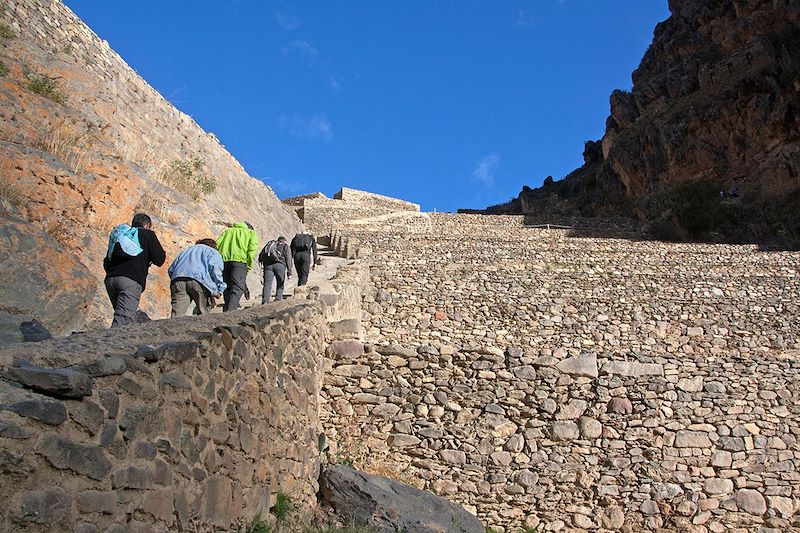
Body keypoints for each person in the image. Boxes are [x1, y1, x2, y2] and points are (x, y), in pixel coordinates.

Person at [103, 213, 166, 327]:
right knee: (123, 320)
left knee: (123, 314)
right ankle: (109, 344)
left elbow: (107, 259)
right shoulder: (147, 234)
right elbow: (159, 259)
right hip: (130, 280)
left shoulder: (122, 235)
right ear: (147, 225)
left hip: (111, 279)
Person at [168, 238, 226, 316]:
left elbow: (171, 270)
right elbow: (216, 270)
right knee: (203, 312)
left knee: (177, 313)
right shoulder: (212, 251)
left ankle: (173, 327)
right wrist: (219, 288)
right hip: (199, 281)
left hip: (178, 279)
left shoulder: (185, 251)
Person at [216, 221, 258, 311]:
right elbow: (252, 249)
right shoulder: (250, 233)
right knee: (238, 287)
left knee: (227, 286)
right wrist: (248, 265)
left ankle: (227, 308)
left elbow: (217, 244)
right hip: (240, 261)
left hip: (224, 261)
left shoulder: (227, 231)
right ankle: (230, 311)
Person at [259, 236, 292, 304]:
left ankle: (265, 301)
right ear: (284, 240)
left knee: (267, 284)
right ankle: (278, 300)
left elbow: (261, 254)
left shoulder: (271, 245)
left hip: (268, 265)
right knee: (280, 283)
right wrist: (289, 272)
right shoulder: (285, 246)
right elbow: (288, 259)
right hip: (280, 265)